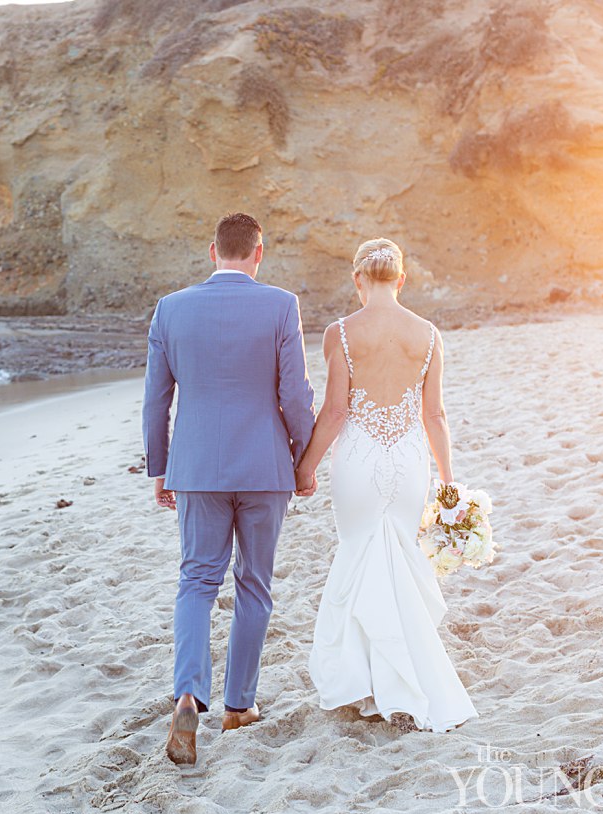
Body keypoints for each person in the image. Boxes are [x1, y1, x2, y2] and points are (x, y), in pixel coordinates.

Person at [142, 212, 317, 765]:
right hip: (265, 468)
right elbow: (296, 393)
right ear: (259, 253)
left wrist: (160, 467)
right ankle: (239, 706)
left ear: (212, 252)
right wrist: (305, 459)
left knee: (196, 579)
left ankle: (189, 693)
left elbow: (156, 399)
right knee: (254, 584)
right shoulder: (281, 304)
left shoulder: (171, 308)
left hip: (196, 467)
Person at [294, 237, 478, 734]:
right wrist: (447, 480)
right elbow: (435, 415)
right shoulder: (429, 333)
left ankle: (372, 685)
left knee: (358, 558)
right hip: (409, 463)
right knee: (397, 559)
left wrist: (305, 467)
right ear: (401, 280)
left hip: (358, 460)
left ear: (358, 280)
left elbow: (334, 412)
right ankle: (395, 681)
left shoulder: (341, 333)